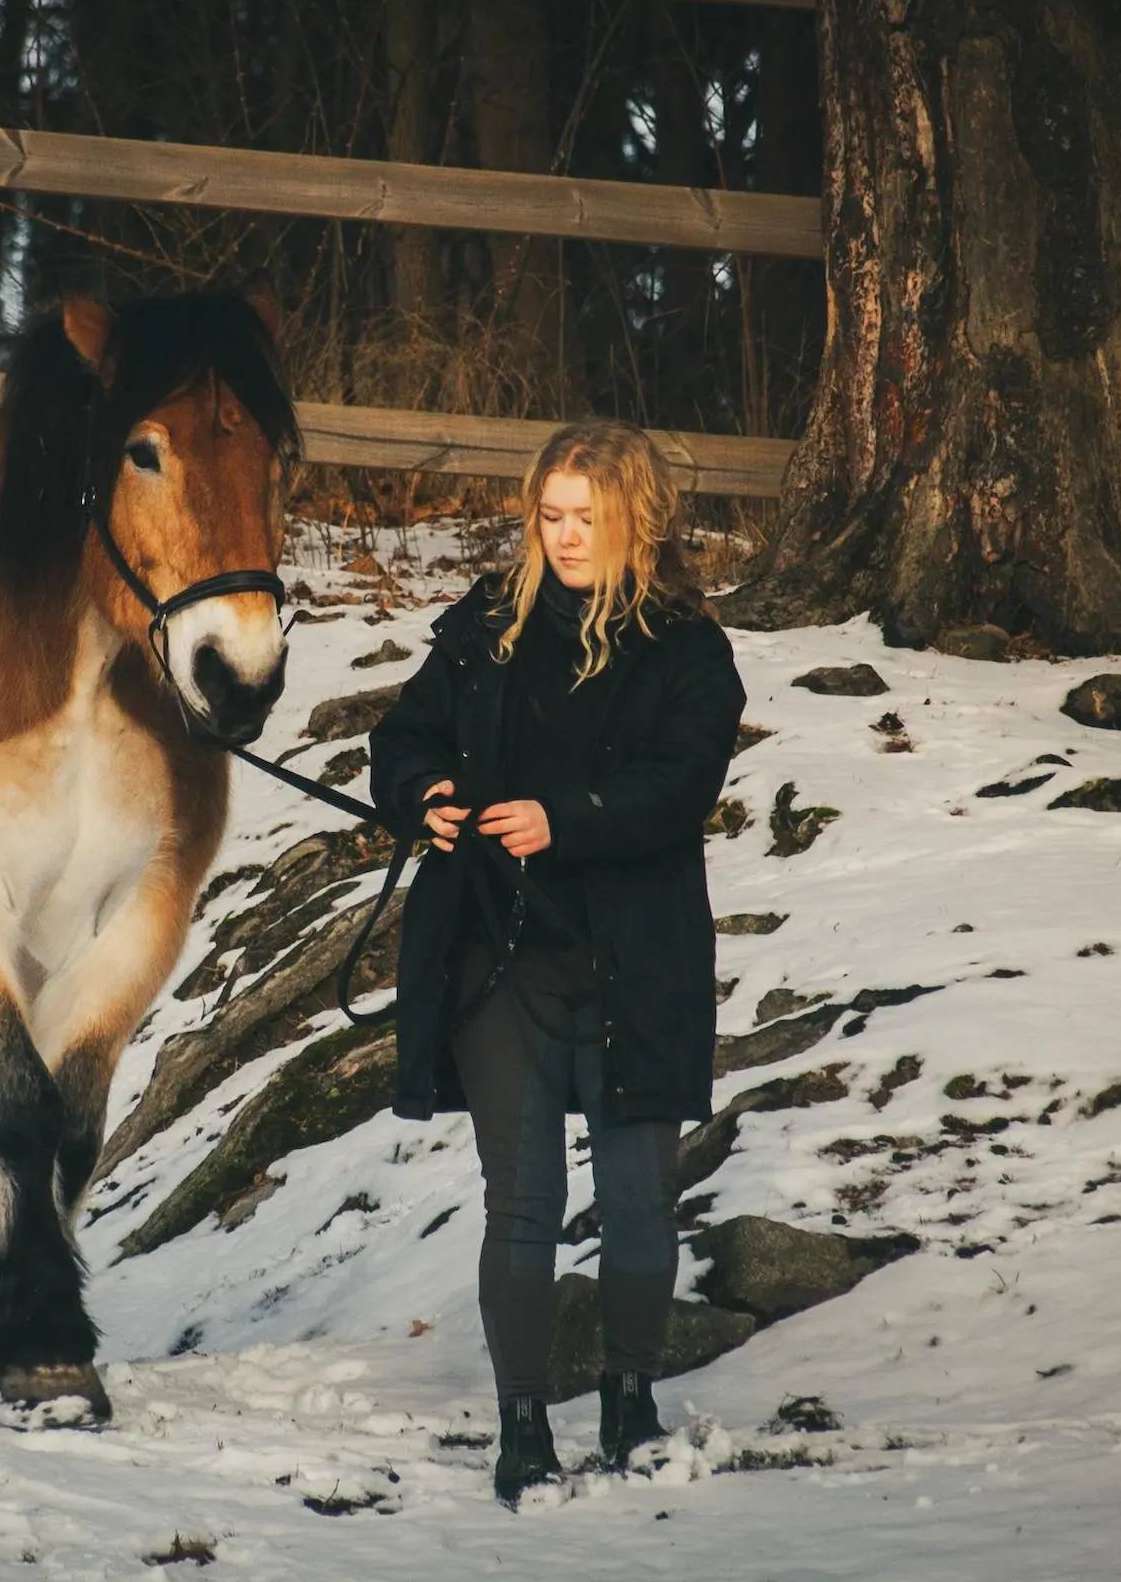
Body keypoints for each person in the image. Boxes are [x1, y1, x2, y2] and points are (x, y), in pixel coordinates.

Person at [369, 418, 746, 1506]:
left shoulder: (687, 648)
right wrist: (423, 800)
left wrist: (564, 817)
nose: (568, 537)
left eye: (590, 518)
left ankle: (630, 1395)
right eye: (552, 516)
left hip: (636, 958)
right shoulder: (488, 625)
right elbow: (405, 736)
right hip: (503, 955)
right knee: (520, 1204)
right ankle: (522, 1420)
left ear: (637, 518)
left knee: (638, 1199)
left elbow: (682, 787)